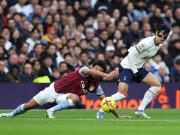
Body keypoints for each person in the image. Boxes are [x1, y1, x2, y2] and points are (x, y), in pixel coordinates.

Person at [0, 60, 130, 118]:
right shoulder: (84, 70)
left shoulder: (96, 86)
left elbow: (106, 102)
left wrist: (118, 116)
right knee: (28, 106)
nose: (95, 72)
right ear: (92, 68)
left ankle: (50, 111)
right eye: (95, 69)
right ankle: (11, 114)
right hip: (53, 90)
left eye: (99, 71)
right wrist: (107, 75)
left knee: (75, 98)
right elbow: (89, 70)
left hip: (64, 96)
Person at [97, 24, 170, 119]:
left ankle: (140, 110)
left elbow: (136, 49)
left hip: (138, 66)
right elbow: (131, 55)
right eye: (161, 34)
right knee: (121, 94)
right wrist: (135, 71)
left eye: (165, 36)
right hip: (127, 66)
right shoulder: (147, 43)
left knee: (157, 85)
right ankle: (101, 110)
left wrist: (129, 50)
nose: (163, 37)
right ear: (156, 33)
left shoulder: (160, 43)